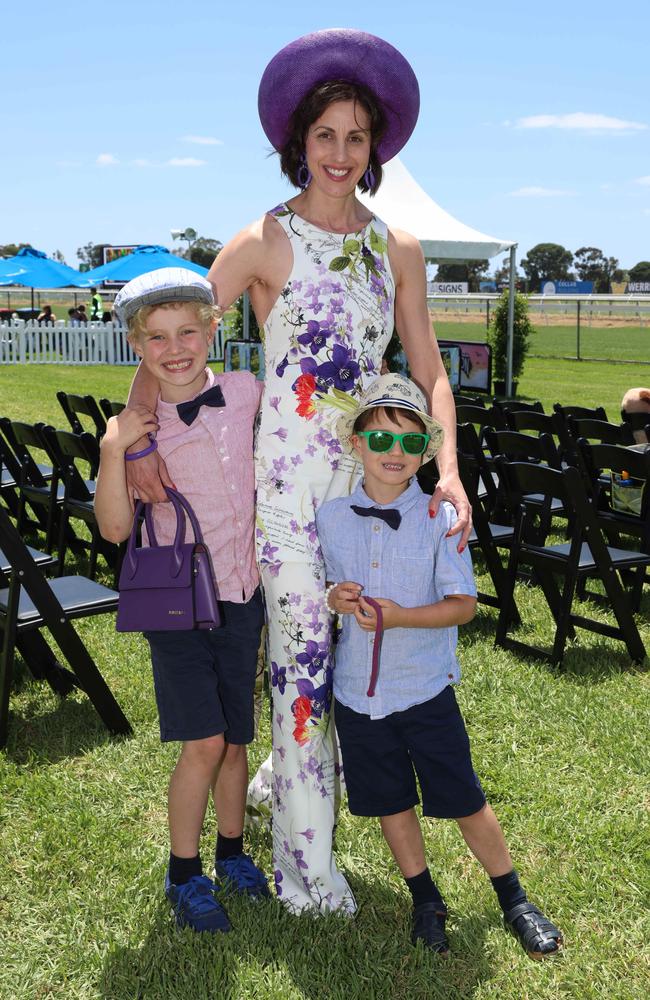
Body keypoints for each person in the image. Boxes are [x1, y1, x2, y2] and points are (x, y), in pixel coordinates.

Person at [123, 29, 472, 914]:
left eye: (357, 138)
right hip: (279, 490)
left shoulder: (397, 248)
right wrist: (137, 437)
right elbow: (174, 333)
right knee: (304, 663)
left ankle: (290, 774)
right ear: (298, 142)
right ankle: (308, 875)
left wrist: (451, 472)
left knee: (349, 652)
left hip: (368, 490)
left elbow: (429, 369)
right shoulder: (262, 240)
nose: (341, 155)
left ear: (376, 146)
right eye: (326, 136)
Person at [316, 373, 563, 959]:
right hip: (357, 695)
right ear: (356, 445)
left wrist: (400, 617)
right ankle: (424, 897)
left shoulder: (440, 516)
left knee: (463, 798)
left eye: (408, 442)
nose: (394, 454)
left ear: (426, 449)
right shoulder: (329, 517)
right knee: (392, 802)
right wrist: (336, 599)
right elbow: (323, 587)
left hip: (423, 691)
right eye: (379, 441)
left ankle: (514, 898)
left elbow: (465, 606)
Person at [95, 267, 269, 933]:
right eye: (158, 338)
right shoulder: (134, 428)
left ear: (214, 329)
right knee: (204, 741)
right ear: (137, 347)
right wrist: (119, 450)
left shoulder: (246, 392)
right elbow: (113, 528)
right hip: (177, 603)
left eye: (188, 332)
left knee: (234, 739)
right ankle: (183, 872)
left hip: (243, 594)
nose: (175, 349)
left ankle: (233, 853)